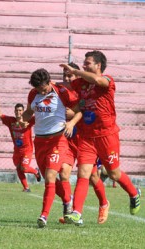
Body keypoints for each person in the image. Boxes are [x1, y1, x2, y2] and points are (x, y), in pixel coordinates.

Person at [60, 50, 141, 226]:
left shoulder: (108, 81)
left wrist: (75, 72)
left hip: (107, 135)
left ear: (98, 66)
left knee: (113, 173)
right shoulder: (81, 83)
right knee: (83, 173)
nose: (84, 65)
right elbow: (64, 86)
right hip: (88, 137)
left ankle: (134, 193)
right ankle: (76, 213)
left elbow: (97, 80)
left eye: (87, 63)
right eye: (84, 62)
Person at [21, 68, 82, 228]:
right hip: (40, 142)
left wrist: (71, 123)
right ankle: (68, 200)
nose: (42, 91)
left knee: (50, 176)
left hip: (58, 139)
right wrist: (23, 120)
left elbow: (79, 111)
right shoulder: (33, 94)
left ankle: (44, 216)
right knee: (51, 180)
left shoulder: (62, 92)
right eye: (38, 89)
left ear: (49, 82)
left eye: (44, 88)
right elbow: (28, 113)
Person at [56, 62, 110, 225]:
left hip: (84, 139)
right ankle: (69, 211)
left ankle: (104, 203)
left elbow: (86, 111)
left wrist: (73, 117)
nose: (66, 78)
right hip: (67, 138)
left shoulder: (84, 91)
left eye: (70, 75)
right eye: (64, 75)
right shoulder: (61, 92)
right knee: (64, 173)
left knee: (93, 177)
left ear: (77, 76)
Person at [0, 97, 41, 192]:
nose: (18, 112)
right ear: (14, 112)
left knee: (24, 167)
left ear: (23, 111)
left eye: (20, 110)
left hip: (27, 149)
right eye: (17, 110)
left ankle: (36, 172)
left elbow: (39, 116)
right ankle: (26, 187)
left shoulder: (29, 120)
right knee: (19, 168)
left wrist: (34, 106)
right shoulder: (11, 121)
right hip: (17, 150)